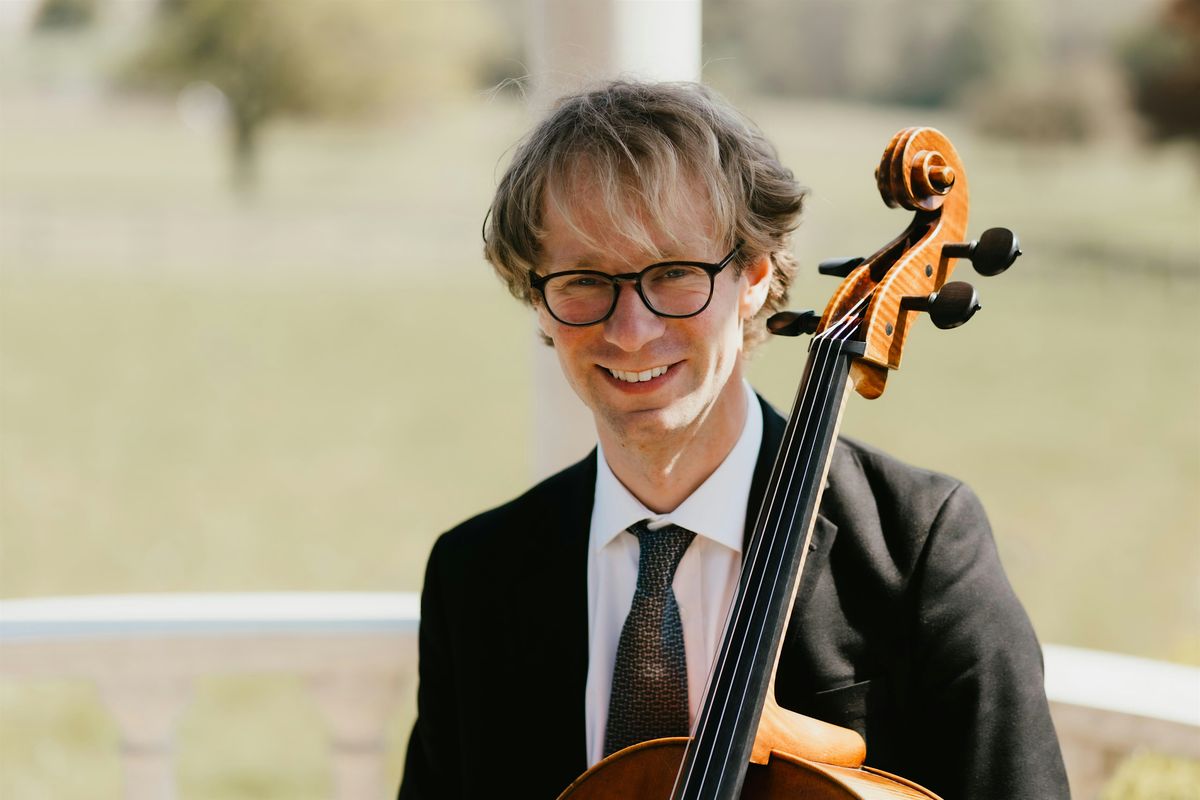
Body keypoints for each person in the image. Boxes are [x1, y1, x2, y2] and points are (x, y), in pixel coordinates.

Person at [398, 81, 1069, 799]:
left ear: (752, 275)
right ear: (539, 297)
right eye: (585, 280)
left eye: (676, 274)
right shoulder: (475, 579)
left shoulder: (919, 548)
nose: (630, 331)